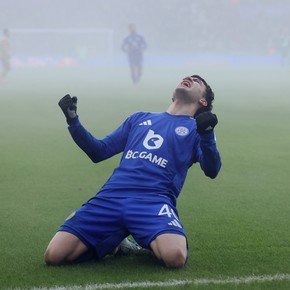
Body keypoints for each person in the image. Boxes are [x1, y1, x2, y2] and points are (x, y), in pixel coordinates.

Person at [44, 75, 222, 268]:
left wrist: (207, 134)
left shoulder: (197, 130)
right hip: (111, 196)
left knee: (175, 257)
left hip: (153, 201)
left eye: (197, 80)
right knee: (54, 256)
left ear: (202, 101)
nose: (188, 78)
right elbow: (99, 151)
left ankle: (144, 237)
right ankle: (116, 242)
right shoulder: (140, 119)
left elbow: (212, 169)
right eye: (187, 77)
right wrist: (74, 122)